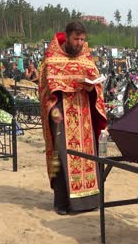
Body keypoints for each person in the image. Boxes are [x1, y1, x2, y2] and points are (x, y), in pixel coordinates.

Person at [39, 21, 107, 215]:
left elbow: (96, 85)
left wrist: (92, 87)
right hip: (61, 113)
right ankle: (62, 203)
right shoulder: (52, 59)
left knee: (88, 155)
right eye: (76, 39)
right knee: (61, 156)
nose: (79, 43)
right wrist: (52, 109)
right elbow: (44, 90)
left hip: (84, 113)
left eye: (82, 39)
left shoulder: (86, 58)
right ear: (67, 37)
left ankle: (89, 201)